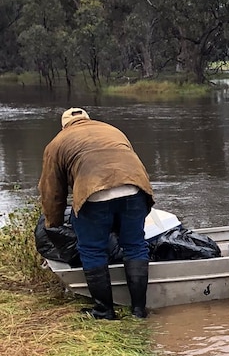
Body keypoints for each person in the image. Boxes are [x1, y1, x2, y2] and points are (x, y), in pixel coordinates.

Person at [39, 108, 155, 319]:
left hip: (94, 194)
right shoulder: (112, 130)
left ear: (64, 126)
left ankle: (104, 311)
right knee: (135, 246)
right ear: (88, 119)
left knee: (92, 250)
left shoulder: (57, 143)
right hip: (135, 188)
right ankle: (139, 310)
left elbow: (52, 192)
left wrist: (53, 223)